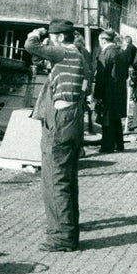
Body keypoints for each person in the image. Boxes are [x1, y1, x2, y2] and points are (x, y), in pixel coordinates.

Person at [24, 19, 92, 252]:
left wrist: (37, 33)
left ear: (61, 38)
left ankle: (63, 237)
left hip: (61, 121)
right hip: (73, 119)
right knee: (67, 178)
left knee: (56, 179)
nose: (50, 42)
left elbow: (30, 46)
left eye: (52, 38)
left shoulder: (64, 52)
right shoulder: (80, 55)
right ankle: (65, 229)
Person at [92, 30, 128, 153]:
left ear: (103, 40)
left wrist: (97, 95)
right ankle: (119, 144)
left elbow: (101, 77)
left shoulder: (105, 54)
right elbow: (126, 74)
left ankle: (107, 146)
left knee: (106, 119)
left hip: (108, 91)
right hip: (120, 90)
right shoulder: (121, 52)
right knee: (116, 118)